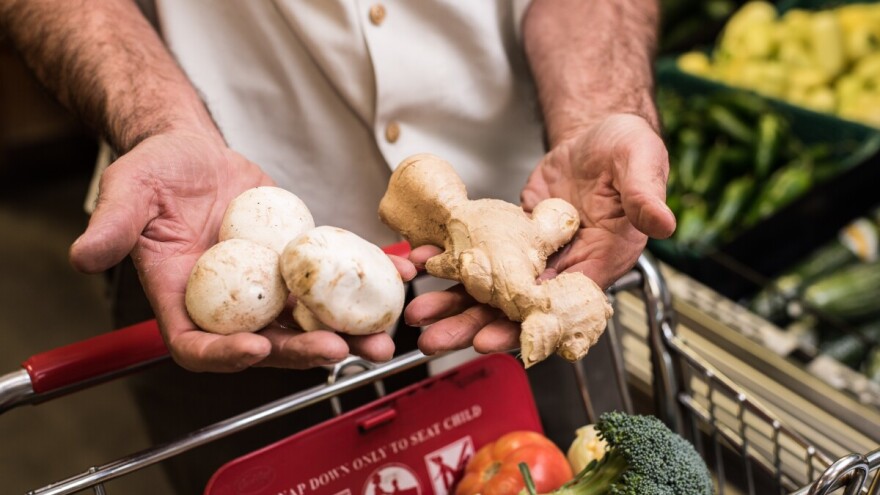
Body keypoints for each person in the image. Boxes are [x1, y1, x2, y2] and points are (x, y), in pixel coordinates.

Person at [0, 0, 675, 491]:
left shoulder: (532, 267)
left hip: (535, 239)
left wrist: (595, 112)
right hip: (211, 233)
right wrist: (156, 125)